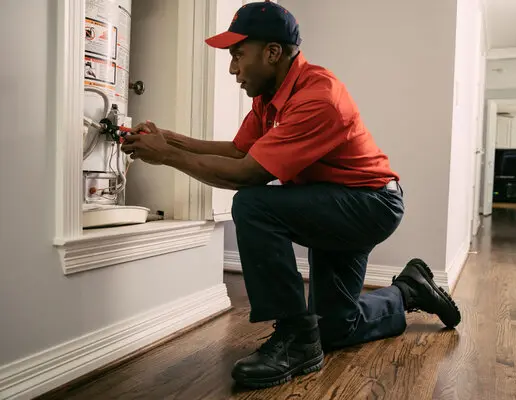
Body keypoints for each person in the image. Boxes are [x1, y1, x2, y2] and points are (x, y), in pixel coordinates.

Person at [121, 1, 461, 389]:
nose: (233, 68)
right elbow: (237, 151)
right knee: (335, 328)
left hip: (370, 205)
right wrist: (171, 139)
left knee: (253, 204)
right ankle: (409, 289)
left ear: (272, 52)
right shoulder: (269, 96)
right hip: (335, 202)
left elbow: (248, 174)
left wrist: (167, 156)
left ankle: (296, 339)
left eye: (238, 55)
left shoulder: (318, 96)